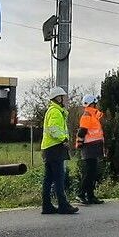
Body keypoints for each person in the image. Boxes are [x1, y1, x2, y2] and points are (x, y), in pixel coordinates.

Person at [40, 86, 79, 214]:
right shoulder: (55, 111)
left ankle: (47, 206)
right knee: (59, 178)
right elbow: (53, 129)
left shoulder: (53, 110)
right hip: (55, 148)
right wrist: (64, 139)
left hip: (49, 148)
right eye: (63, 97)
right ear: (58, 98)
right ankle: (63, 205)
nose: (65, 99)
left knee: (48, 178)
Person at [75, 94, 105, 205]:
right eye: (95, 103)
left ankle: (90, 196)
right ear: (92, 103)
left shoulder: (93, 115)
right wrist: (80, 144)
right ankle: (81, 195)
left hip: (93, 146)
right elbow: (82, 131)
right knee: (89, 172)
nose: (96, 105)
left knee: (92, 173)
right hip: (89, 147)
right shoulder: (88, 115)